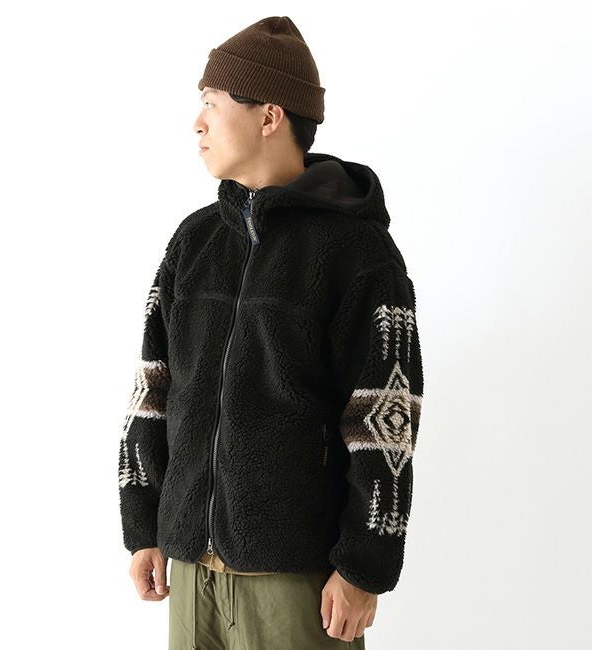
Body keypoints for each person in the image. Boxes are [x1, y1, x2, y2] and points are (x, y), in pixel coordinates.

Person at [118, 15, 424, 650]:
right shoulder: (194, 242)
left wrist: (364, 565)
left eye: (212, 102)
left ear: (269, 115)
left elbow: (386, 418)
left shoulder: (357, 253)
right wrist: (145, 524)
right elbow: (153, 391)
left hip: (295, 577)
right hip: (190, 568)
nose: (197, 122)